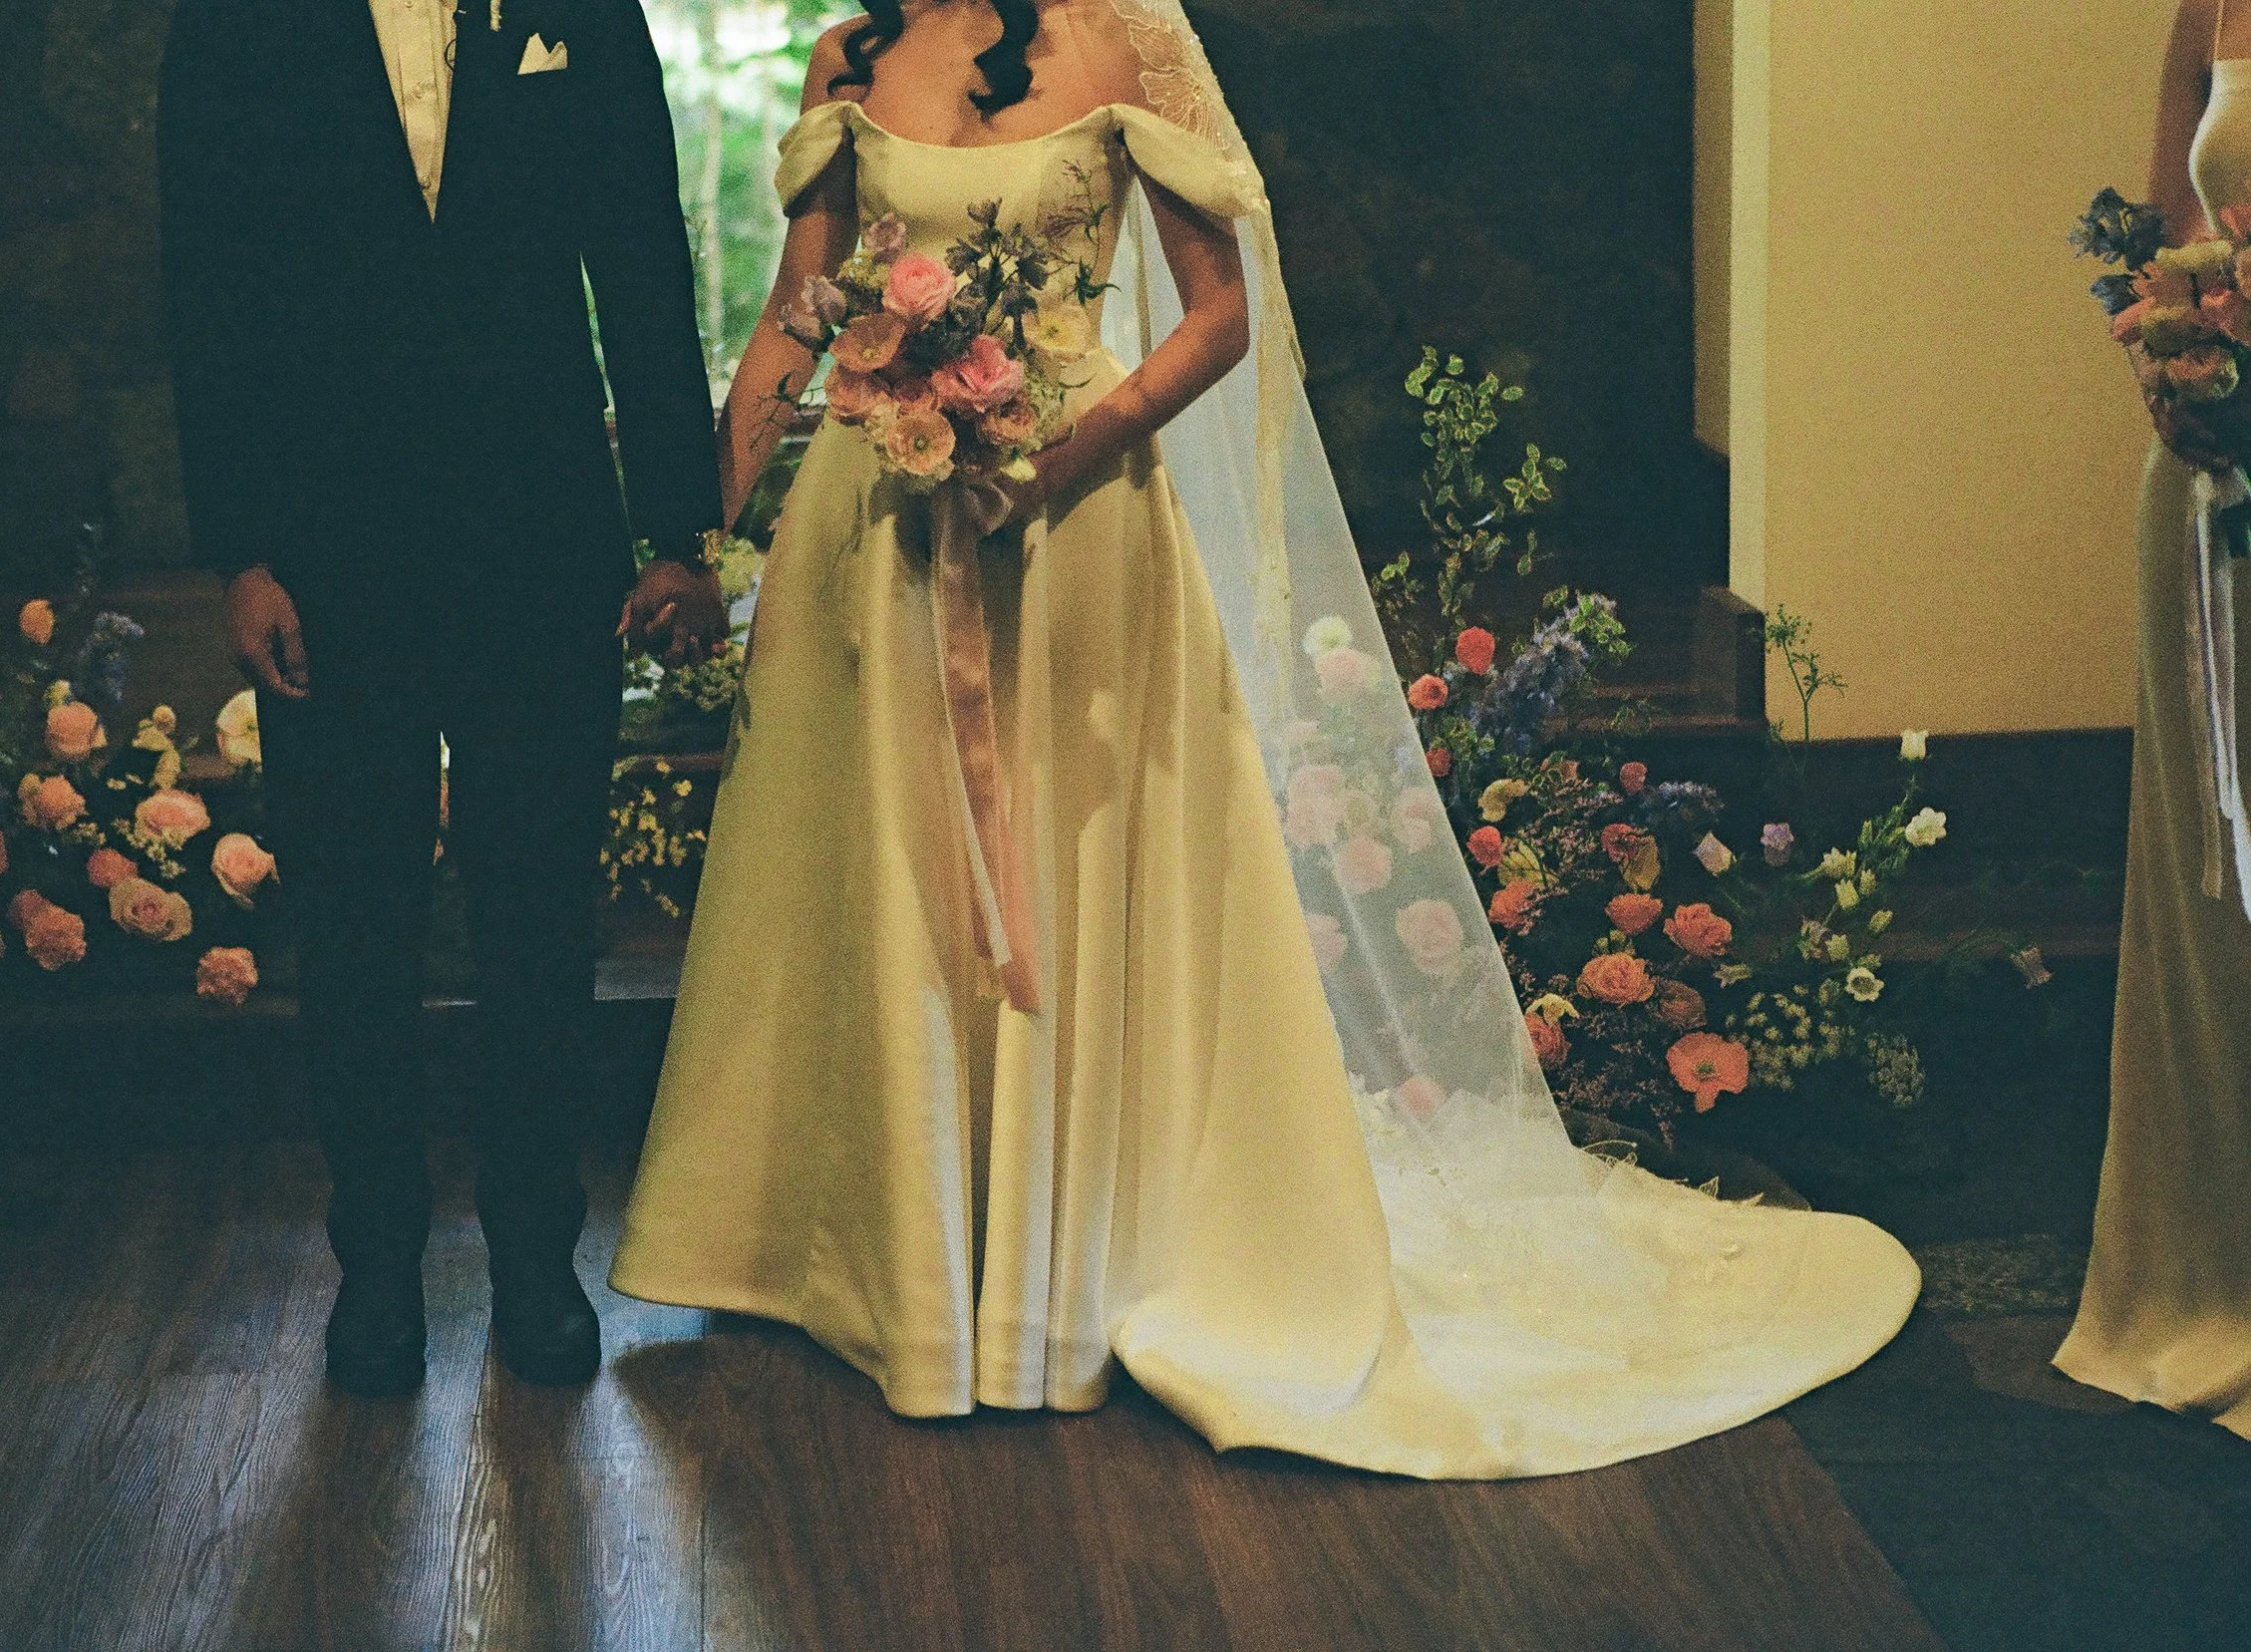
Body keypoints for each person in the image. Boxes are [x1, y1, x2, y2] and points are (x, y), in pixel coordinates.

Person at [610, 0, 1921, 1480]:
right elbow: (799, 312)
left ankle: (1062, 1274)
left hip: (1075, 522)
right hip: (877, 522)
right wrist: (690, 531)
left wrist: (1054, 459)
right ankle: (907, 1267)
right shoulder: (848, 59)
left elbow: (1221, 313)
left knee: (1066, 860)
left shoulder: (1123, 45)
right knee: (893, 877)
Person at [158, 0, 728, 1398]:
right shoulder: (240, 26)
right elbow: (206, 280)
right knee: (356, 927)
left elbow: (642, 256)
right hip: (329, 548)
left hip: (541, 538)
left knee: (538, 915)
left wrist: (672, 528)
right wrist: (242, 550)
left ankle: (539, 1265)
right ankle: (379, 1277)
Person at [2056, 0, 2251, 1439]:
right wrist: (2171, 367)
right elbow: (2162, 229)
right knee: (2214, 892)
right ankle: (2215, 1267)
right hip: (2212, 481)